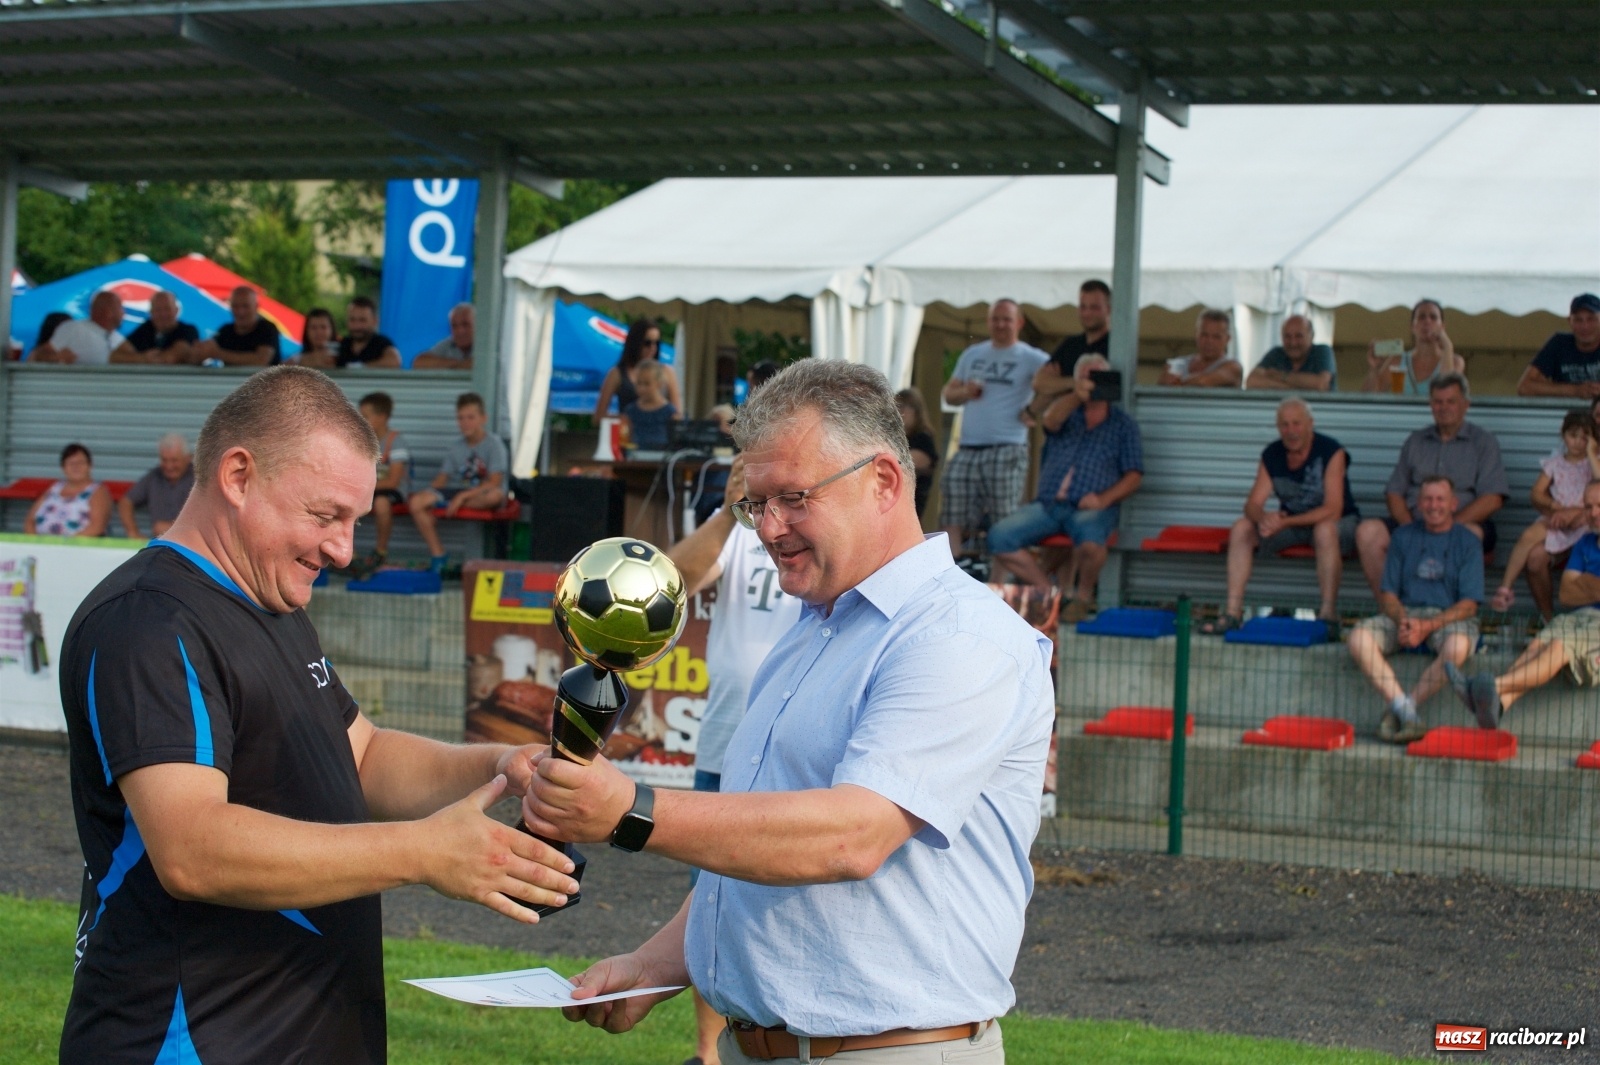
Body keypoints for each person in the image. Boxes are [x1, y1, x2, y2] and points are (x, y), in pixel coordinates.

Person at [523, 359, 1051, 1065]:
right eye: (755, 502)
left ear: (885, 481)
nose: (769, 528)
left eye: (794, 497)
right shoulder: (817, 625)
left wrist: (630, 810)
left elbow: (849, 836)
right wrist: (655, 964)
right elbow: (760, 843)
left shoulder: (958, 636)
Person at [57, 366, 576, 1064]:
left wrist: (500, 766)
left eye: (356, 521)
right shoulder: (149, 620)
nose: (342, 547)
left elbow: (359, 754)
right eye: (325, 514)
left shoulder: (270, 600)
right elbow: (192, 847)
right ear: (238, 476)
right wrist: (422, 851)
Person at [666, 452, 805, 1065]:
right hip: (725, 741)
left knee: (782, 905)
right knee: (712, 905)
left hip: (794, 751)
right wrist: (727, 510)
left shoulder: (814, 538)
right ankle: (709, 1053)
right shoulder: (743, 532)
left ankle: (791, 1037)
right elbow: (669, 583)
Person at [987, 354, 1143, 623]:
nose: (1091, 384)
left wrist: (1104, 499)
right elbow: (1049, 421)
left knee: (1091, 544)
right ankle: (1049, 592)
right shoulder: (1067, 413)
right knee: (999, 537)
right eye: (1085, 377)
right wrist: (1076, 395)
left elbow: (1134, 475)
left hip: (1090, 505)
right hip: (1049, 504)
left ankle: (1082, 598)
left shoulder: (1123, 425)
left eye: (1096, 378)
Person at [1447, 480, 1600, 730]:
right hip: (1576, 616)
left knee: (1559, 646)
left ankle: (1490, 688)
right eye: (1588, 506)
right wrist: (1590, 586)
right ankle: (1500, 703)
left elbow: (1576, 586)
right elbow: (1566, 594)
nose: (1593, 514)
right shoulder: (1585, 543)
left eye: (1599, 506)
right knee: (1536, 646)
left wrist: (1583, 582)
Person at [1347, 476, 1483, 743]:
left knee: (1457, 647)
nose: (1434, 506)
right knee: (1357, 638)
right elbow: (1388, 594)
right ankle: (1406, 712)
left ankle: (1404, 708)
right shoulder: (1402, 536)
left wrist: (1427, 627)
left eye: (1440, 499)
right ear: (1419, 504)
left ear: (1453, 504)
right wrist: (1405, 620)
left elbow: (1469, 605)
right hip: (1405, 614)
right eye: (1428, 499)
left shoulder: (1467, 541)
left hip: (1446, 617)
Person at [1207, 397, 1357, 633]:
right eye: (1284, 425)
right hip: (1291, 524)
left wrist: (1284, 522)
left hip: (1338, 524)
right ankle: (1233, 612)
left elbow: (1333, 509)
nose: (1291, 431)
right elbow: (1252, 504)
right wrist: (1263, 518)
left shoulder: (1332, 451)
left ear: (1310, 424)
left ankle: (1328, 615)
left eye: (1297, 424)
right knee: (1241, 527)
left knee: (1325, 529)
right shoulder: (1272, 453)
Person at [1355, 373, 1507, 599]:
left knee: (1471, 534)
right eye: (1438, 401)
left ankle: (1450, 616)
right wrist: (1412, 531)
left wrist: (1448, 525)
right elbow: (1394, 492)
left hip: (1461, 522)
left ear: (1466, 405)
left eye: (1451, 401)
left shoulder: (1483, 442)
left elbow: (1493, 498)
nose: (1444, 407)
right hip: (1414, 522)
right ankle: (1392, 611)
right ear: (1430, 405)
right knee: (1367, 532)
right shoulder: (1415, 440)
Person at [938, 298, 1051, 556]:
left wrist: (1033, 409)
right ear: (988, 322)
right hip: (967, 447)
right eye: (995, 319)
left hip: (1007, 446)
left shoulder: (1032, 357)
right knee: (951, 512)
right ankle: (953, 570)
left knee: (1004, 518)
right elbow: (948, 394)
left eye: (1007, 319)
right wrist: (966, 390)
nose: (1000, 324)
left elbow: (1056, 383)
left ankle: (1000, 583)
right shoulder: (973, 354)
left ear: (1019, 323)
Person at [1490, 410, 1597, 620]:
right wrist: (1554, 506)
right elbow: (1536, 493)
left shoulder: (1593, 462)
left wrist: (1593, 452)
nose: (1577, 442)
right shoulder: (1555, 462)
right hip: (1557, 518)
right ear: (1563, 435)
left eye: (1585, 437)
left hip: (1585, 522)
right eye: (1572, 436)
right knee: (1529, 539)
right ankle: (1506, 589)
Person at [407, 392, 508, 574]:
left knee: (495, 496)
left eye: (470, 417)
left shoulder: (494, 444)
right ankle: (439, 556)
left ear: (483, 418)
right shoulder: (456, 447)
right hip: (456, 491)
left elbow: (494, 482)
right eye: (461, 418)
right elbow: (442, 479)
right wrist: (425, 496)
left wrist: (462, 497)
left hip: (481, 494)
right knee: (416, 502)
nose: (465, 423)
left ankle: (454, 503)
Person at [1026, 279, 1111, 411]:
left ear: (1109, 309)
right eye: (1083, 307)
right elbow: (1039, 383)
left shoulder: (1115, 347)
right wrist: (1074, 382)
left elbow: (1099, 388)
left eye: (1094, 307)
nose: (1087, 313)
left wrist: (1058, 385)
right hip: (1064, 423)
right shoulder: (1070, 344)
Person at [352, 391, 411, 576]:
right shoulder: (361, 442)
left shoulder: (396, 441)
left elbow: (393, 481)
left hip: (393, 491)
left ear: (382, 417)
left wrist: (361, 487)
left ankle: (380, 551)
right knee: (347, 503)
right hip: (370, 488)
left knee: (381, 503)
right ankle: (349, 556)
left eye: (365, 416)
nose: (361, 420)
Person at [1359, 299, 1464, 394]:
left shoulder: (1455, 361)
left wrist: (1448, 346)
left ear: (1442, 326)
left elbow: (1447, 392)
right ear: (1412, 326)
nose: (1427, 321)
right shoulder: (1397, 362)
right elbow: (1369, 398)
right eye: (1421, 317)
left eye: (1433, 317)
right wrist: (1374, 369)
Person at [595, 319, 683, 420]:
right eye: (647, 343)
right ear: (635, 343)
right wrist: (628, 420)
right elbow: (598, 417)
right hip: (628, 433)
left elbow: (677, 416)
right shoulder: (617, 373)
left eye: (657, 343)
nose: (652, 347)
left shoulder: (667, 372)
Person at [1517, 293, 1600, 399]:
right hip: (1564, 414)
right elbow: (1524, 387)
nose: (1585, 326)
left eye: (1591, 319)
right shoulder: (1559, 343)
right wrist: (1575, 390)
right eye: (1578, 320)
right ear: (1570, 321)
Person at [117, 433, 195, 539]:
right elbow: (126, 502)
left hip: (192, 544)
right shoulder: (154, 477)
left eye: (174, 460)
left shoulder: (200, 479)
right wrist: (133, 532)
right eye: (164, 460)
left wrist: (169, 529)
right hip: (160, 544)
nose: (169, 466)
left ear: (188, 458)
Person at [24, 442, 111, 537]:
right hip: (42, 547)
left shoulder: (97, 491)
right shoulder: (55, 487)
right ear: (63, 468)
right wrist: (35, 542)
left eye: (81, 462)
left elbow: (97, 527)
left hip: (77, 548)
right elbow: (30, 520)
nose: (76, 467)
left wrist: (64, 547)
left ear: (90, 466)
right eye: (71, 463)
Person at [30, 291, 136, 365]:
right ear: (108, 313)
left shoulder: (116, 338)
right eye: (120, 308)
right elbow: (39, 354)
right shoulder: (73, 328)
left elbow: (134, 358)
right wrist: (56, 358)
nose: (123, 313)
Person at [192, 286, 281, 366]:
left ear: (256, 307)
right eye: (235, 306)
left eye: (245, 306)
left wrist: (217, 353)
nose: (240, 312)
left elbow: (261, 360)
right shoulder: (226, 331)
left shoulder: (267, 329)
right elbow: (203, 352)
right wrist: (199, 350)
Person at [1246, 315, 1337, 391]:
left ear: (1311, 336)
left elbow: (1321, 384)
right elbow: (1251, 381)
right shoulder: (1276, 354)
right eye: (1287, 336)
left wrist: (1281, 376)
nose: (1293, 343)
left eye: (1299, 336)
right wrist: (1290, 387)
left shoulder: (1322, 351)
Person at [1159, 308, 1243, 388]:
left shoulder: (1233, 368)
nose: (1209, 341)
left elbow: (1204, 382)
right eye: (1204, 335)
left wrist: (1178, 382)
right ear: (1196, 334)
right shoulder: (1179, 364)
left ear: (1227, 339)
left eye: (1216, 337)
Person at [895, 387, 940, 518]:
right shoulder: (896, 439)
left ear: (917, 412)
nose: (901, 411)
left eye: (906, 406)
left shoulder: (923, 439)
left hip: (909, 510)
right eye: (897, 406)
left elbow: (903, 462)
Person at [125, 291, 199, 365]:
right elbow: (118, 354)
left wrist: (150, 359)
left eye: (167, 309)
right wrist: (141, 358)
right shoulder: (144, 330)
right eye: (158, 310)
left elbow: (176, 354)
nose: (163, 314)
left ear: (176, 310)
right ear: (151, 312)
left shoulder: (188, 331)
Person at [620, 359, 678, 450]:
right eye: (639, 383)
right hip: (636, 459)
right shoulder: (630, 411)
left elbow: (676, 441)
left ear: (659, 384)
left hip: (661, 458)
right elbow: (624, 440)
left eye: (647, 384)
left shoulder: (670, 411)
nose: (642, 388)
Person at [336, 296, 401, 368]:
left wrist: (361, 367)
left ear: (375, 321)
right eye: (352, 320)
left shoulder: (382, 343)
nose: (357, 326)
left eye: (362, 320)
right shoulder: (343, 344)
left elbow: (395, 361)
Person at [413, 302, 474, 369]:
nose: (460, 331)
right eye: (454, 326)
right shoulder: (450, 343)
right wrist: (459, 365)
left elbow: (479, 365)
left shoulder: (485, 345)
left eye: (465, 324)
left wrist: (444, 364)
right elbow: (419, 363)